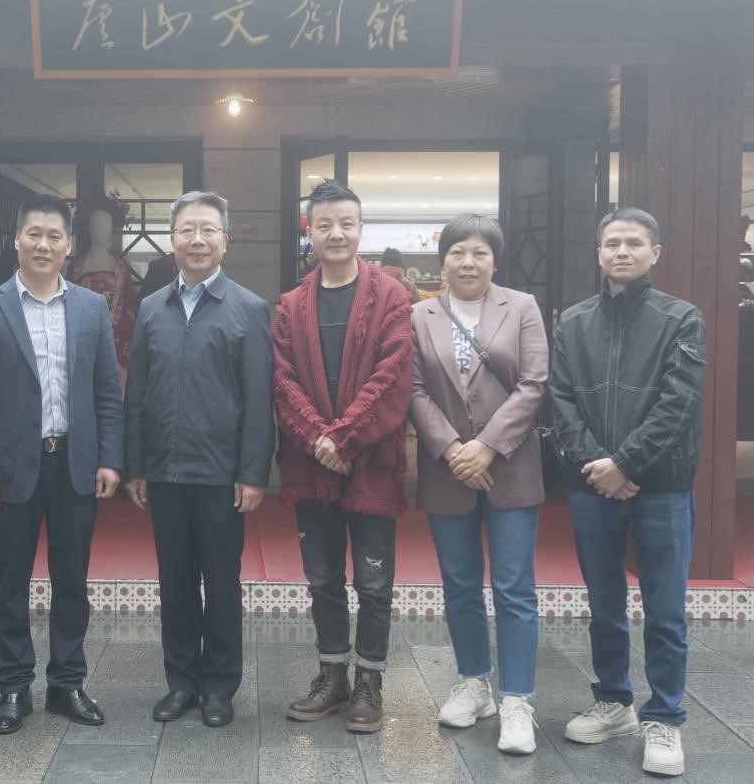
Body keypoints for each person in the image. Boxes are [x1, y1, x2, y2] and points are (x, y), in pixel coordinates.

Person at [0, 193, 123, 735]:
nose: (44, 245)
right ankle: (12, 686)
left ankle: (67, 683)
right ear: (17, 241)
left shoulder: (91, 308)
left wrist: (109, 458)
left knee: (72, 580)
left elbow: (107, 391)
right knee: (10, 583)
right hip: (9, 470)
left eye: (54, 236)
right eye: (34, 234)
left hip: (74, 463)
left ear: (69, 245)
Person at [552, 207, 705, 777]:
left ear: (654, 252)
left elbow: (679, 402)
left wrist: (626, 463)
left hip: (662, 484)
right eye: (612, 242)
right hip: (593, 483)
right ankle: (613, 701)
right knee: (605, 605)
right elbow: (560, 402)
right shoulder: (572, 322)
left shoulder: (681, 318)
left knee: (665, 609)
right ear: (598, 252)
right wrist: (600, 466)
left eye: (634, 243)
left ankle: (664, 716)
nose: (622, 251)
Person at [124, 190, 274, 729]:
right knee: (175, 581)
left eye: (208, 230)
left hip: (220, 474)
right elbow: (137, 394)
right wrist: (136, 464)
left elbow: (259, 398)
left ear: (225, 241)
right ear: (172, 241)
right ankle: (181, 682)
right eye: (187, 230)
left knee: (222, 580)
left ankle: (219, 686)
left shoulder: (249, 309)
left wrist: (253, 472)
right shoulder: (151, 308)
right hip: (164, 471)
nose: (197, 239)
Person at [273, 180, 413, 733]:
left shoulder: (392, 296)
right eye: (325, 224)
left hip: (370, 461)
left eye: (346, 223)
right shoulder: (291, 304)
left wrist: (345, 438)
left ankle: (369, 682)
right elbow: (282, 382)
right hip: (311, 463)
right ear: (309, 232)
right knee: (322, 577)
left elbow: (393, 375)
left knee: (374, 583)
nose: (336, 233)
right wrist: (319, 440)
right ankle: (331, 676)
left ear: (360, 229)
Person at [408, 213, 548, 754]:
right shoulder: (419, 314)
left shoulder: (523, 307)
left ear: (495, 259)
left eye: (480, 253)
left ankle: (516, 699)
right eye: (458, 252)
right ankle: (474, 683)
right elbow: (413, 390)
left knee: (514, 587)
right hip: (448, 470)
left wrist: (486, 445)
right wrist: (452, 449)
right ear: (442, 260)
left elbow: (534, 384)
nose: (468, 263)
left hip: (510, 466)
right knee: (459, 583)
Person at [66, 196, 138, 380]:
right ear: (89, 228)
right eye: (96, 225)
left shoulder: (121, 266)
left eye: (106, 226)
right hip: (85, 337)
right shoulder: (77, 266)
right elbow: (68, 305)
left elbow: (129, 305)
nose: (101, 230)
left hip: (117, 340)